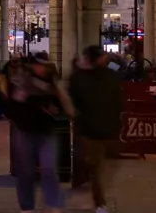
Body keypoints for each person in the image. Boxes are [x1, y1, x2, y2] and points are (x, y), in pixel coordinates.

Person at [4, 52, 73, 213]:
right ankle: (27, 206)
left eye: (44, 66)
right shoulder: (19, 82)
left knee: (49, 168)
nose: (42, 69)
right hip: (24, 130)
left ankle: (53, 203)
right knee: (25, 171)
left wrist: (56, 110)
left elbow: (61, 104)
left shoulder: (52, 84)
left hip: (47, 131)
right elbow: (10, 106)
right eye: (39, 65)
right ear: (31, 66)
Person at [68, 46, 122, 213]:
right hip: (101, 129)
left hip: (93, 129)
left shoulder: (79, 78)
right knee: (97, 167)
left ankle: (100, 201)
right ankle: (100, 202)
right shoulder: (111, 76)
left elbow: (74, 101)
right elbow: (119, 101)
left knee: (96, 167)